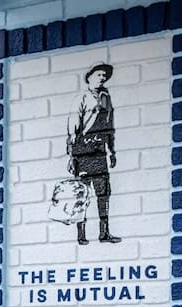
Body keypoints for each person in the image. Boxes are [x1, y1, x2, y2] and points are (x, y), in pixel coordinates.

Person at [66, 61, 121, 245]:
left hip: (100, 151)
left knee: (103, 193)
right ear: (89, 77)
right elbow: (73, 129)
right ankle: (81, 235)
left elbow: (109, 125)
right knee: (82, 193)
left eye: (104, 76)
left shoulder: (106, 97)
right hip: (83, 150)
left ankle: (104, 233)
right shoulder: (81, 98)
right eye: (99, 74)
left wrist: (112, 151)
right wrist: (72, 156)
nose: (102, 78)